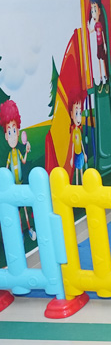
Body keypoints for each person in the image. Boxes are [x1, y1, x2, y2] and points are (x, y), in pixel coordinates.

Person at [2, 100, 35, 240]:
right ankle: (20, 231)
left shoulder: (18, 152)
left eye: (14, 131)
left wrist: (26, 151)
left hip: (20, 184)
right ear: (6, 136)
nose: (12, 135)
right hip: (13, 186)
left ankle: (29, 227)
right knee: (17, 210)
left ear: (18, 131)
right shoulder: (10, 155)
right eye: (9, 132)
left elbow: (23, 161)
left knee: (25, 208)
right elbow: (7, 168)